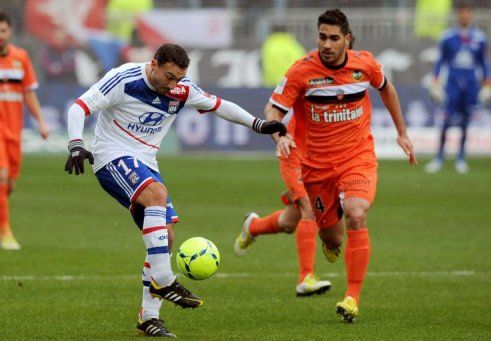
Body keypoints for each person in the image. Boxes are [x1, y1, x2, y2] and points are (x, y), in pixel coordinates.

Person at [64, 43, 286, 337]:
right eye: (169, 76)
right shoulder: (124, 78)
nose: (174, 85)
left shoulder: (181, 88)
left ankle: (149, 318)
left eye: (179, 78)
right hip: (111, 156)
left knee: (165, 239)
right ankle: (165, 279)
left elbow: (219, 106)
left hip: (146, 162)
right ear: (154, 63)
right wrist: (76, 144)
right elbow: (78, 107)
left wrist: (257, 124)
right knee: (157, 194)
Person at [239, 9, 416, 322]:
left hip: (357, 159)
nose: (327, 44)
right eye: (322, 37)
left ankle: (351, 297)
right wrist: (278, 134)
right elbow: (273, 108)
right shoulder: (301, 72)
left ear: (346, 39)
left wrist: (402, 132)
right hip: (316, 168)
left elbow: (386, 88)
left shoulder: (365, 65)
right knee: (332, 238)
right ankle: (288, 234)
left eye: (334, 38)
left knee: (357, 213)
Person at [235, 32, 356, 297]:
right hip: (296, 154)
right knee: (309, 210)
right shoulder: (307, 73)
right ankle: (306, 278)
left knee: (293, 220)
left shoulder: (353, 83)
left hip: (324, 161)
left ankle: (253, 227)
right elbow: (274, 108)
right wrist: (280, 136)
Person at [0, 11, 49, 250]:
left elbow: (28, 92)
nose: (0, 36)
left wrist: (40, 121)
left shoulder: (20, 57)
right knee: (1, 178)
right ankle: (5, 232)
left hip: (13, 130)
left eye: (3, 30)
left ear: (9, 32)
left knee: (9, 184)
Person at [426, 2, 491, 174]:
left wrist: (488, 82)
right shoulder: (447, 37)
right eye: (462, 13)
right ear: (458, 16)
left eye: (467, 14)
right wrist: (435, 81)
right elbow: (440, 61)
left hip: (471, 85)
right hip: (452, 85)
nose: (464, 16)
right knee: (446, 120)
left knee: (465, 122)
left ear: (471, 16)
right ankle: (439, 157)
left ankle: (461, 157)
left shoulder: (479, 37)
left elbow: (484, 63)